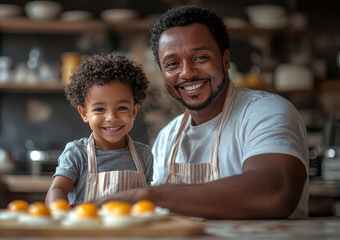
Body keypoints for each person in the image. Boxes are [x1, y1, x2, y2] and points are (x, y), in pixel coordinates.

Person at [93, 5, 309, 219]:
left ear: (225, 60)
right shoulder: (167, 137)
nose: (187, 73)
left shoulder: (265, 112)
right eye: (172, 64)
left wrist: (148, 195)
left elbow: (275, 192)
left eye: (200, 58)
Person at [45, 52, 153, 206]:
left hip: (131, 230)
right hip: (87, 229)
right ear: (84, 113)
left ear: (134, 111)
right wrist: (59, 211)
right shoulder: (77, 153)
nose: (111, 117)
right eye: (100, 109)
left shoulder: (144, 155)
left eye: (122, 108)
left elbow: (150, 199)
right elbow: (58, 190)